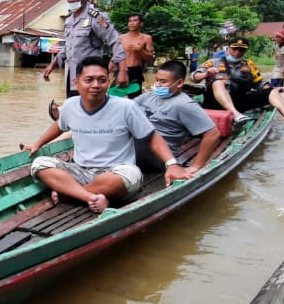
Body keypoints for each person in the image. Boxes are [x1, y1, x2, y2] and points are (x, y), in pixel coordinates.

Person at [24, 58, 189, 213]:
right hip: (80, 170)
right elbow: (59, 126)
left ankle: (68, 194)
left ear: (108, 83)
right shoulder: (69, 106)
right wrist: (37, 144)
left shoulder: (126, 107)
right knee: (40, 164)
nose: (96, 85)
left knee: (131, 174)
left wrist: (172, 164)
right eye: (89, 80)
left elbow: (151, 137)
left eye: (102, 80)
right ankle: (88, 197)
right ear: (76, 83)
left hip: (115, 173)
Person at [191, 36, 284, 131]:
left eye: (241, 50)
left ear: (245, 51)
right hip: (215, 103)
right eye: (234, 49)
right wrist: (206, 74)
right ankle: (236, 116)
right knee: (217, 82)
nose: (237, 52)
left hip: (239, 101)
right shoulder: (213, 62)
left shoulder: (249, 65)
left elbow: (259, 83)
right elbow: (194, 77)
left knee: (272, 91)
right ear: (228, 49)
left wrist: (270, 89)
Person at [42, 0, 128, 101]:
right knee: (74, 110)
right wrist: (52, 64)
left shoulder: (96, 17)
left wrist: (123, 71)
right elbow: (68, 46)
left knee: (91, 113)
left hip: (92, 79)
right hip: (73, 76)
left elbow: (115, 41)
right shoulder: (69, 20)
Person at [134, 60, 222, 175]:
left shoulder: (184, 105)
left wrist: (196, 165)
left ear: (179, 82)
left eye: (163, 82)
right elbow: (127, 109)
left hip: (158, 158)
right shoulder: (149, 96)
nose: (158, 85)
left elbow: (213, 134)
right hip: (139, 148)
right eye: (157, 80)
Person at [119, 14, 156, 96]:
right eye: (130, 21)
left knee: (135, 99)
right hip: (121, 69)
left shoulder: (146, 38)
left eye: (135, 21)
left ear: (140, 24)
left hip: (135, 70)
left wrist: (140, 50)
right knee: (116, 97)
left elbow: (150, 59)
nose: (131, 23)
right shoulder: (121, 38)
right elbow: (115, 56)